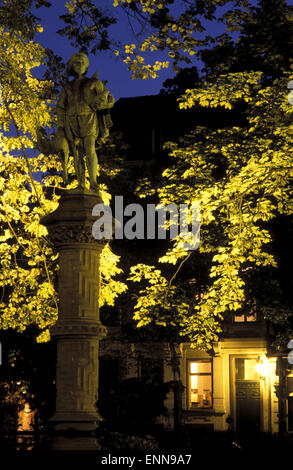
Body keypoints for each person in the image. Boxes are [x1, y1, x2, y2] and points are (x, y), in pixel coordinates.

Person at [57, 52, 114, 191]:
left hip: (89, 118)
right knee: (76, 153)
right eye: (77, 63)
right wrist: (61, 124)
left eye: (83, 63)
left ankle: (93, 182)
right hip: (71, 121)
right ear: (72, 66)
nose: (80, 65)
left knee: (90, 148)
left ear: (87, 66)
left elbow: (109, 99)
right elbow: (60, 106)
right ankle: (81, 183)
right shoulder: (67, 87)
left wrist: (104, 105)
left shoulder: (94, 82)